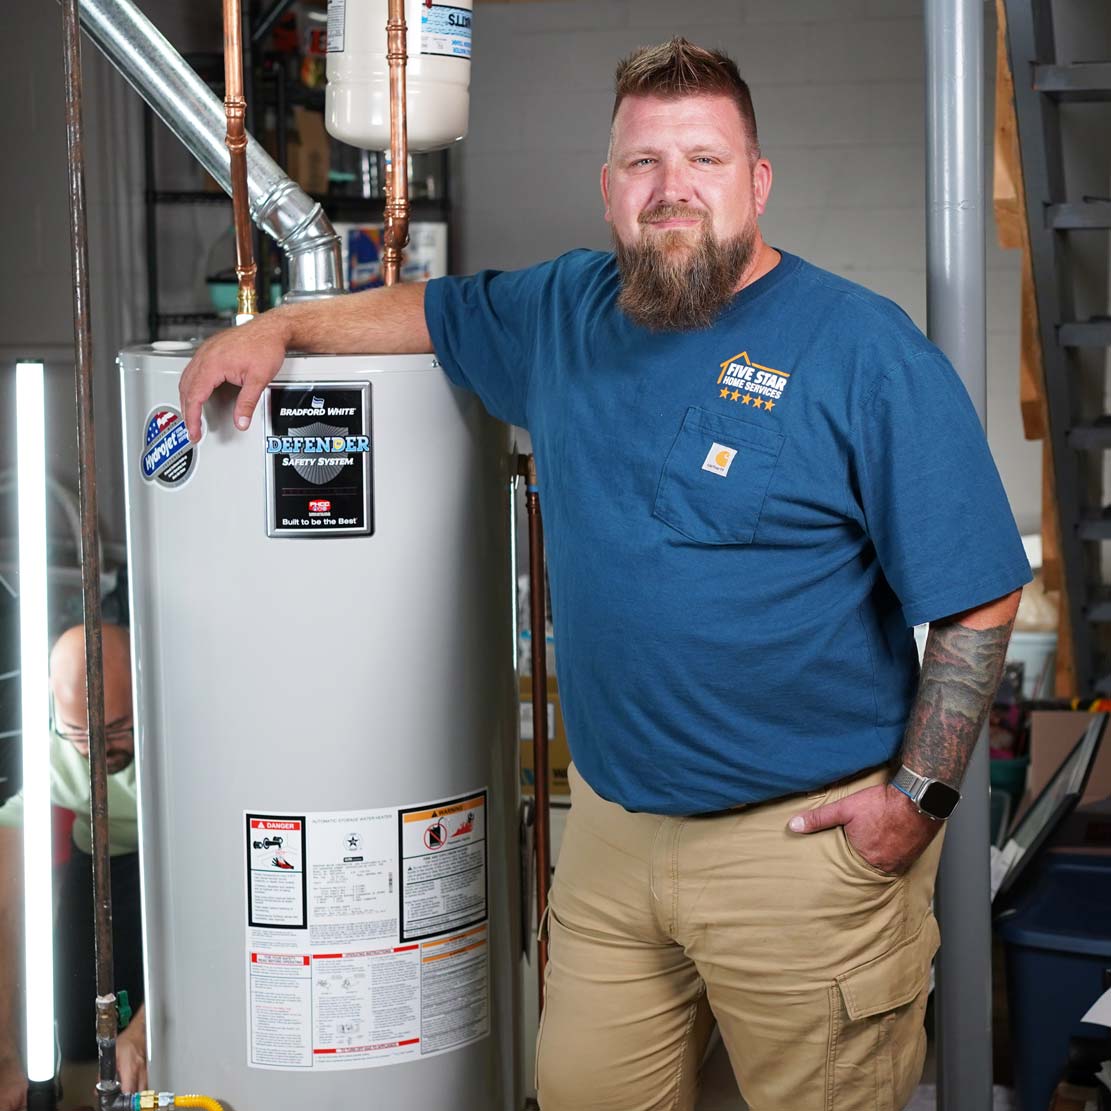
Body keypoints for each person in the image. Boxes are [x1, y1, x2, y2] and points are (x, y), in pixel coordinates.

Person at [178, 38, 1030, 1111]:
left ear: (757, 181)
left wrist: (914, 801)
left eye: (704, 160)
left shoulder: (861, 350)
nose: (672, 189)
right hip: (611, 839)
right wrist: (283, 324)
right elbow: (434, 315)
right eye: (643, 164)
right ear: (609, 187)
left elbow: (977, 595)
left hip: (800, 852)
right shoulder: (566, 313)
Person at [0, 625, 147, 1110]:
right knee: (81, 1020)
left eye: (117, 727)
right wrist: (5, 1052)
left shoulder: (184, 746)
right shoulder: (57, 753)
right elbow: (6, 891)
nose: (98, 748)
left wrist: (146, 1028)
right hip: (98, 869)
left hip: (177, 867)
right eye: (80, 732)